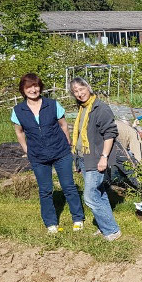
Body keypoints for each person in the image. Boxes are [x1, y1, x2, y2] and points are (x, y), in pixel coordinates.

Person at [12, 73, 85, 235]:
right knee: (45, 190)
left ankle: (78, 218)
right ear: (23, 90)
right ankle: (51, 223)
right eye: (29, 87)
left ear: (40, 87)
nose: (33, 89)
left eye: (36, 86)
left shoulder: (52, 105)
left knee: (68, 186)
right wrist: (27, 149)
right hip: (38, 156)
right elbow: (19, 132)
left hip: (60, 152)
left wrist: (67, 145)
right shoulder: (18, 110)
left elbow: (64, 126)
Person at [70, 77, 122, 241]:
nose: (79, 93)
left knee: (90, 196)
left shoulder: (100, 108)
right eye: (75, 91)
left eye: (81, 89)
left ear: (88, 87)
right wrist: (77, 160)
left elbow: (110, 134)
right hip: (84, 158)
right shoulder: (82, 108)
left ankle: (112, 230)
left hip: (96, 158)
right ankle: (105, 225)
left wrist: (104, 157)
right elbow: (79, 136)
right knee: (99, 193)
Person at [112, 119, 142, 189]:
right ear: (138, 133)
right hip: (115, 148)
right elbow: (139, 155)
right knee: (129, 167)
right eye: (141, 138)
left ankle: (112, 184)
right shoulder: (133, 133)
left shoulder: (121, 126)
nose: (141, 140)